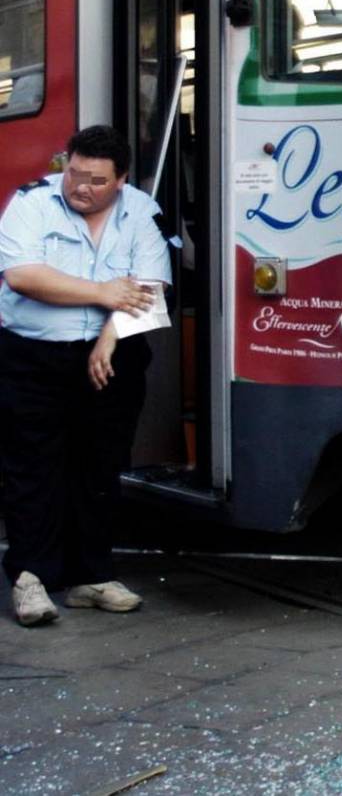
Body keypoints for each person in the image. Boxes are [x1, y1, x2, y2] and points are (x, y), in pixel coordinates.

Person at [0, 125, 170, 627]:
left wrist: (109, 336)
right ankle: (30, 578)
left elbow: (150, 286)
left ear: (120, 180)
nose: (80, 186)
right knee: (33, 468)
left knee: (99, 467)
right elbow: (24, 276)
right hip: (32, 356)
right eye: (74, 173)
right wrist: (103, 293)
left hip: (110, 358)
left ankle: (91, 577)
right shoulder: (31, 203)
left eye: (96, 180)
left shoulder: (141, 210)